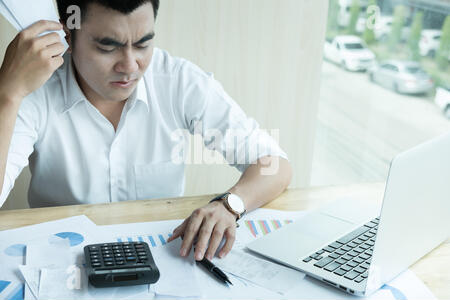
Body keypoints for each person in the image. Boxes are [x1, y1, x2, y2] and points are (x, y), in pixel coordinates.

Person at [0, 0, 292, 261]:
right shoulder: (34, 92)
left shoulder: (177, 81)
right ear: (67, 37)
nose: (130, 66)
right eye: (107, 46)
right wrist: (8, 94)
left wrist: (230, 205)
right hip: (64, 262)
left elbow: (274, 163)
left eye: (142, 44)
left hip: (166, 258)